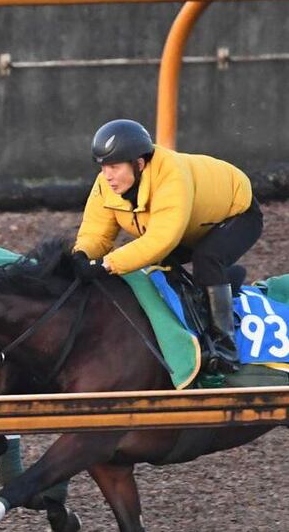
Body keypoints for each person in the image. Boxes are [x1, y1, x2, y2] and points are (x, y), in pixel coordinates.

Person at [72, 118, 263, 373]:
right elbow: (97, 233)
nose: (107, 176)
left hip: (237, 214)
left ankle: (225, 348)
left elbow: (159, 241)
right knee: (162, 267)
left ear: (139, 164)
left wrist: (106, 265)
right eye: (103, 167)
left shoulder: (171, 175)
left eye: (115, 167)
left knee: (207, 259)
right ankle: (221, 285)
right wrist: (81, 255)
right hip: (191, 224)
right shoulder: (105, 185)